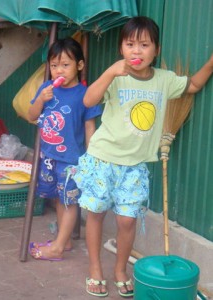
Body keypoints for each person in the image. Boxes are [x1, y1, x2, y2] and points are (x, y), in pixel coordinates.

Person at [72, 16, 213, 298]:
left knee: (127, 221)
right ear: (121, 48)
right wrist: (111, 73)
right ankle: (96, 269)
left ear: (156, 50)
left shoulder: (164, 80)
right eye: (130, 44)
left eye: (144, 45)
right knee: (96, 214)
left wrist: (210, 62)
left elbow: (194, 85)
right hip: (103, 159)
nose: (137, 51)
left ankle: (120, 270)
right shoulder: (115, 77)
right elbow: (88, 101)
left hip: (134, 166)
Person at [28, 37, 102, 261]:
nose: (58, 70)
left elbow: (90, 127)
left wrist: (91, 158)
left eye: (65, 65)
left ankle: (58, 247)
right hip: (49, 156)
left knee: (69, 200)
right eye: (54, 65)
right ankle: (65, 239)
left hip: (72, 159)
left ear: (79, 65)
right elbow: (32, 116)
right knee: (58, 199)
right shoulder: (46, 89)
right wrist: (41, 99)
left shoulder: (85, 94)